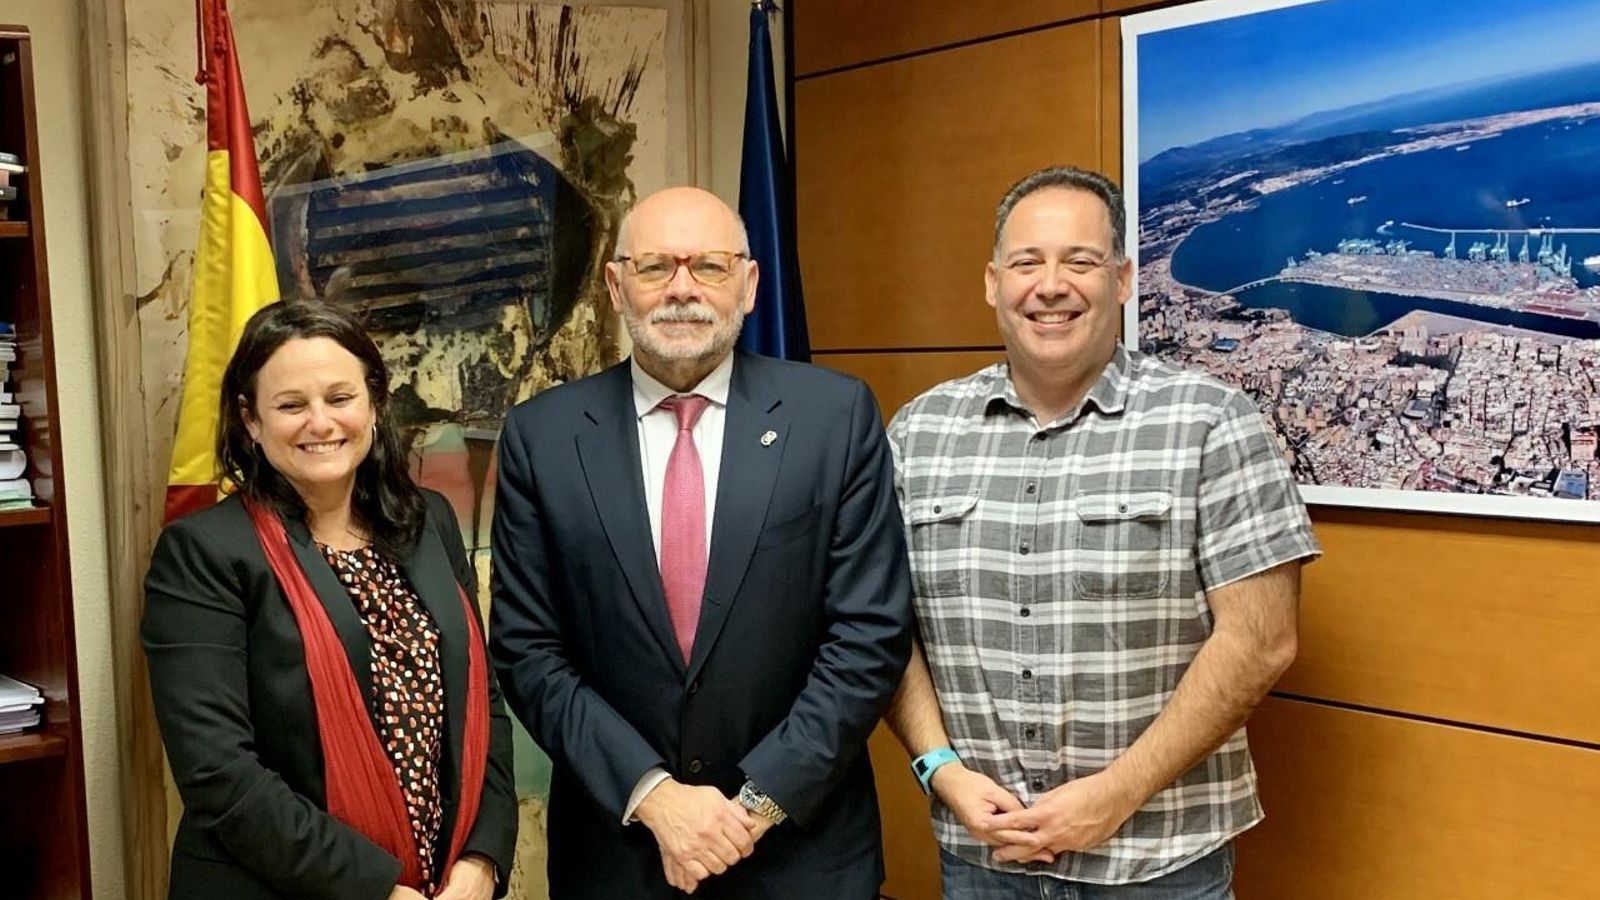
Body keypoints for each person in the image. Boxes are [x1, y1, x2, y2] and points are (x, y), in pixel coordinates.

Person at [885, 165, 1321, 899]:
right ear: (993, 282)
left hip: (1157, 863)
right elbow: (883, 628)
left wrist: (1117, 793)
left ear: (1122, 281)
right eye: (1027, 262)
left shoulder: (1210, 420)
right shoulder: (918, 432)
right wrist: (939, 768)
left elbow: (1262, 639)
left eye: (1080, 262)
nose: (1050, 285)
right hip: (986, 863)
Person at [489, 186, 913, 899]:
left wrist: (752, 808)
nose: (682, 290)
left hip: (800, 856)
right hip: (620, 854)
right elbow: (528, 649)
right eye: (656, 267)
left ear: (748, 285)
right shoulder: (543, 437)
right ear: (616, 286)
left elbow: (869, 632)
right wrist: (655, 798)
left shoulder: (835, 417)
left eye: (709, 267)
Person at [143, 301, 518, 900]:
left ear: (373, 405)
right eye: (292, 405)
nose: (320, 422)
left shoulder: (429, 521)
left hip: (445, 884)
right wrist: (379, 890)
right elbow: (220, 773)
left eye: (339, 398)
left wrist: (482, 858)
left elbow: (481, 700)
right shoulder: (203, 553)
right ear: (251, 420)